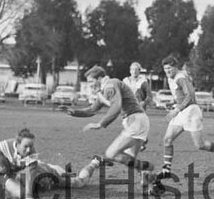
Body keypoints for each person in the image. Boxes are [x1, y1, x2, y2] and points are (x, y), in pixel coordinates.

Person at [59, 64, 156, 192]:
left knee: (111, 154)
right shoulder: (105, 88)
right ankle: (149, 180)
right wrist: (74, 112)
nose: (90, 84)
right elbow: (92, 110)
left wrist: (100, 124)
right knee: (130, 157)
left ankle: (147, 168)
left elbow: (116, 106)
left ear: (99, 78)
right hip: (138, 120)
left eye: (91, 81)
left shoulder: (110, 85)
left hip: (135, 121)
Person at [154, 55, 214, 183]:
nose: (167, 71)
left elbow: (190, 96)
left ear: (175, 67)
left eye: (169, 68)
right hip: (181, 112)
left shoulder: (180, 78)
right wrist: (173, 104)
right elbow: (180, 96)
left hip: (191, 112)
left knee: (200, 145)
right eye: (165, 69)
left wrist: (176, 109)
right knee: (167, 139)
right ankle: (166, 170)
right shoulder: (171, 78)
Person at [0, 128, 97, 199]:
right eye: (26, 146)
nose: (29, 150)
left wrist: (28, 195)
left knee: (79, 183)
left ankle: (94, 163)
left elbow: (29, 181)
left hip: (47, 172)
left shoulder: (32, 155)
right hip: (30, 171)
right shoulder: (3, 146)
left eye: (31, 146)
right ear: (17, 144)